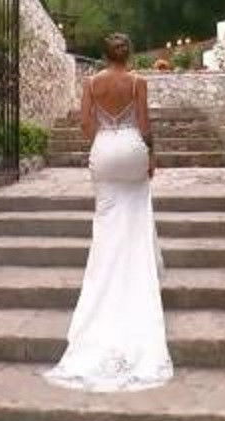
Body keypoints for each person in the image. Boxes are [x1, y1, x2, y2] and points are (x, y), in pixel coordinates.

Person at [42, 33, 173, 392]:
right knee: (137, 212)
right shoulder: (138, 82)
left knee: (106, 219)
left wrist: (103, 139)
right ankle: (136, 270)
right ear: (128, 55)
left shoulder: (91, 83)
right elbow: (144, 125)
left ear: (104, 55)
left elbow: (86, 124)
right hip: (131, 149)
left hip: (105, 149)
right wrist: (151, 155)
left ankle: (106, 274)